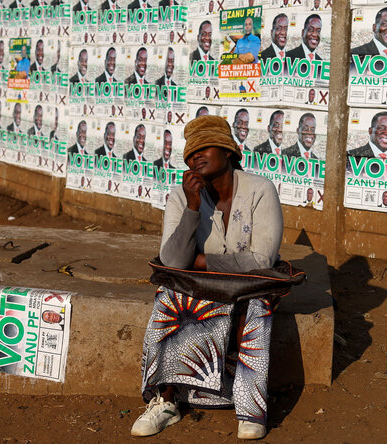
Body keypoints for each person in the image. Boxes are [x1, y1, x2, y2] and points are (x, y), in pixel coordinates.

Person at [132, 115, 283, 440]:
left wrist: (199, 260)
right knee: (168, 298)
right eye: (189, 154)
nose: (195, 157)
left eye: (205, 149)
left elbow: (261, 260)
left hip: (249, 286)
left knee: (258, 307)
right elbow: (171, 262)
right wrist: (192, 208)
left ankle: (250, 409)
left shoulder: (260, 190)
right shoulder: (180, 196)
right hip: (199, 287)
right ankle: (166, 400)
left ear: (228, 151)